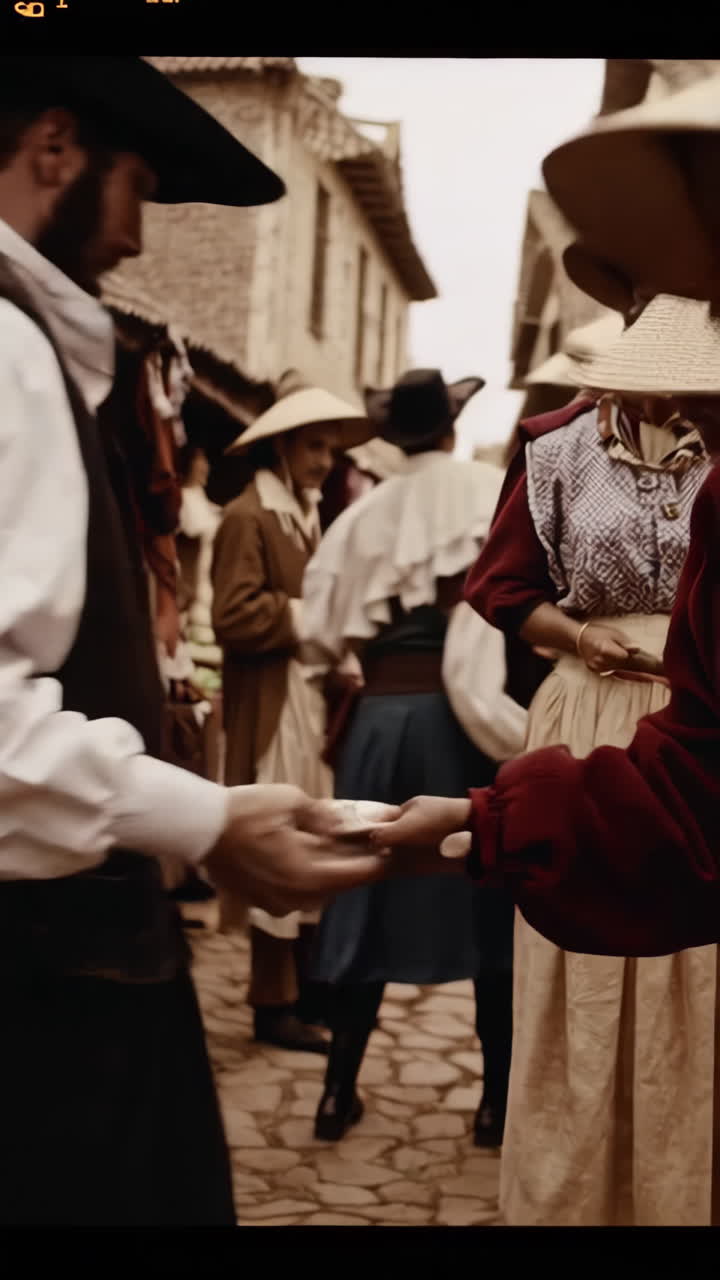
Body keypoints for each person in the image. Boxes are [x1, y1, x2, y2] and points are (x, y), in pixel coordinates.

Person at [0, 54, 387, 1227]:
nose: (134, 238)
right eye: (138, 186)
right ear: (55, 148)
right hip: (46, 983)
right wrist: (207, 818)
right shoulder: (9, 347)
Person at [463, 336, 715, 1224]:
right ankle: (580, 1200)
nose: (663, 404)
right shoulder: (554, 445)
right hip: (592, 708)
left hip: (700, 714)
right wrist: (576, 636)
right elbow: (502, 589)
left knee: (698, 967)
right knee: (588, 964)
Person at [302, 369, 521, 1145]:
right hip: (470, 719)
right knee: (490, 886)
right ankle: (494, 1107)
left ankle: (336, 1095)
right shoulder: (492, 489)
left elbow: (320, 636)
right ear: (453, 429)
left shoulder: (362, 515)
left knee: (365, 886)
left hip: (380, 722)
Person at [211, 373, 375, 1054]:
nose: (322, 463)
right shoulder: (249, 515)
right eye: (312, 447)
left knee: (309, 836)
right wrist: (312, 618)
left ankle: (302, 990)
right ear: (281, 446)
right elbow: (233, 615)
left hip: (303, 700)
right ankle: (271, 1002)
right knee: (276, 839)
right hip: (273, 704)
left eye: (330, 451)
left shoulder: (300, 513)